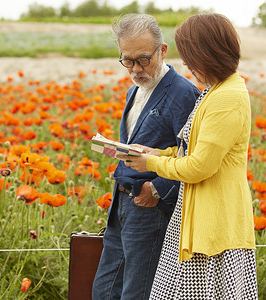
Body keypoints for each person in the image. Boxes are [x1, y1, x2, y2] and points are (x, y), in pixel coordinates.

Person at [121, 13, 258, 299]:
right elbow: (194, 148)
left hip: (214, 223)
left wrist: (152, 163)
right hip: (198, 217)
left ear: (207, 54)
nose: (186, 64)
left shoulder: (227, 97)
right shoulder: (215, 90)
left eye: (189, 56)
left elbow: (200, 166)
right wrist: (159, 152)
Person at [92, 14, 200, 300]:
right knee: (103, 290)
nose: (136, 69)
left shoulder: (183, 93)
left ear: (162, 51)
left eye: (143, 59)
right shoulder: (134, 90)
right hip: (121, 203)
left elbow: (191, 156)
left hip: (152, 210)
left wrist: (157, 189)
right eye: (127, 60)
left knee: (136, 293)